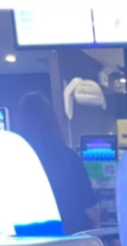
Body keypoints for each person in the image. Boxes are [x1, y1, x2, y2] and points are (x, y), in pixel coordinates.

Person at [14, 92, 100, 235]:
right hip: (69, 238)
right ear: (51, 121)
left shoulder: (13, 159)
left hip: (26, 239)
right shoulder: (68, 158)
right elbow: (90, 207)